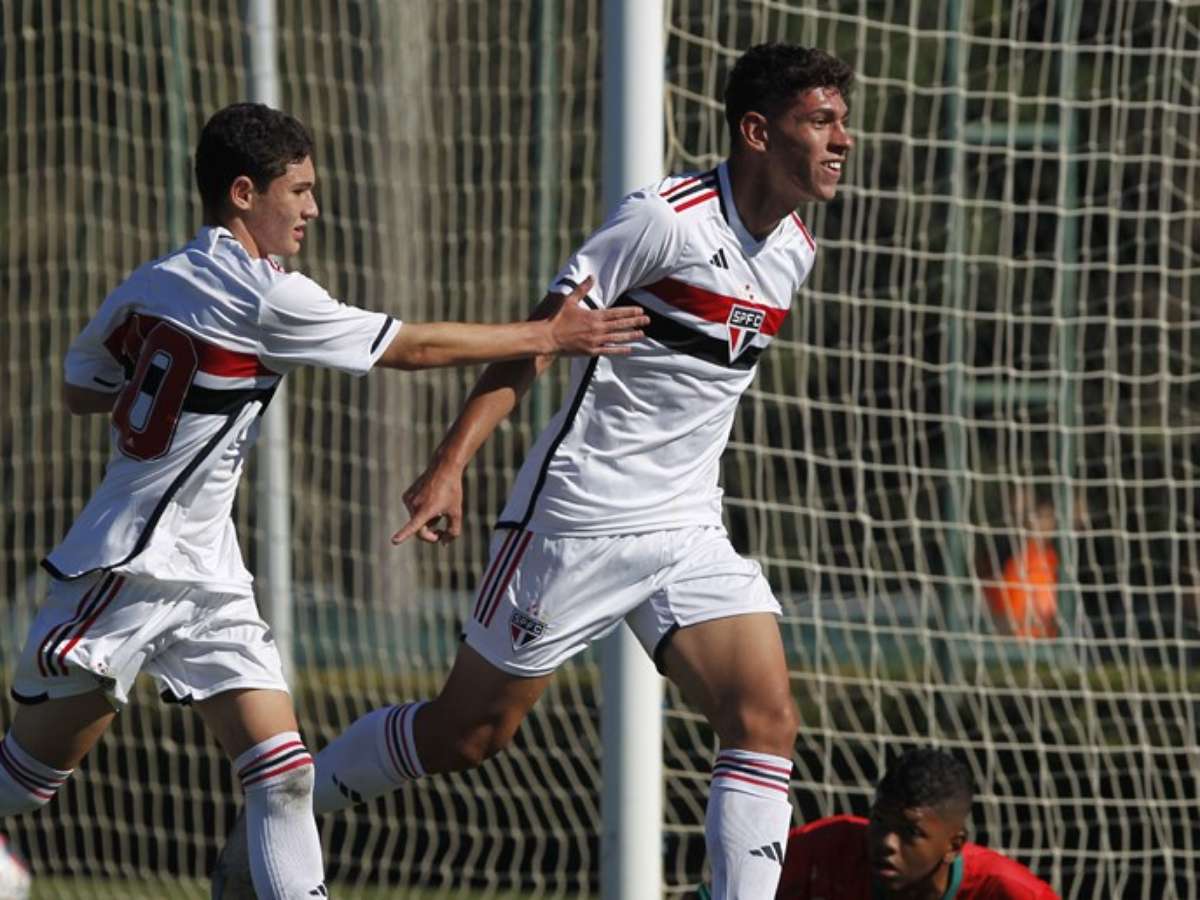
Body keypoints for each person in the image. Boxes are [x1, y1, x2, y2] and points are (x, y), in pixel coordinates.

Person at [213, 43, 853, 899]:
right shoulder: (664, 218)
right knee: (467, 737)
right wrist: (449, 465)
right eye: (821, 121)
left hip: (689, 527)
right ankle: (281, 816)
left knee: (766, 718)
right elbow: (538, 339)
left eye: (841, 121)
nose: (842, 138)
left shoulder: (796, 249)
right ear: (755, 131)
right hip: (576, 521)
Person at [0, 102, 646, 900]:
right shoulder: (267, 296)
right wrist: (548, 336)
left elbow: (78, 388)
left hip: (207, 569)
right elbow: (412, 347)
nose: (312, 208)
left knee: (284, 775)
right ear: (243, 193)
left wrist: (176, 397)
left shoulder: (153, 281)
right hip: (127, 567)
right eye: (298, 190)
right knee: (25, 786)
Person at [774, 748, 1060, 899]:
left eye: (910, 831)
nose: (887, 842)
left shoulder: (1011, 892)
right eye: (879, 821)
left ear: (954, 845)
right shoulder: (826, 849)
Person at [983, 491, 1059, 638]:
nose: (1046, 524)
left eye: (1050, 518)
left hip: (1051, 641)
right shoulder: (1017, 564)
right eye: (1041, 517)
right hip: (1023, 642)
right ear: (1028, 522)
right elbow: (1004, 616)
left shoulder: (1056, 560)